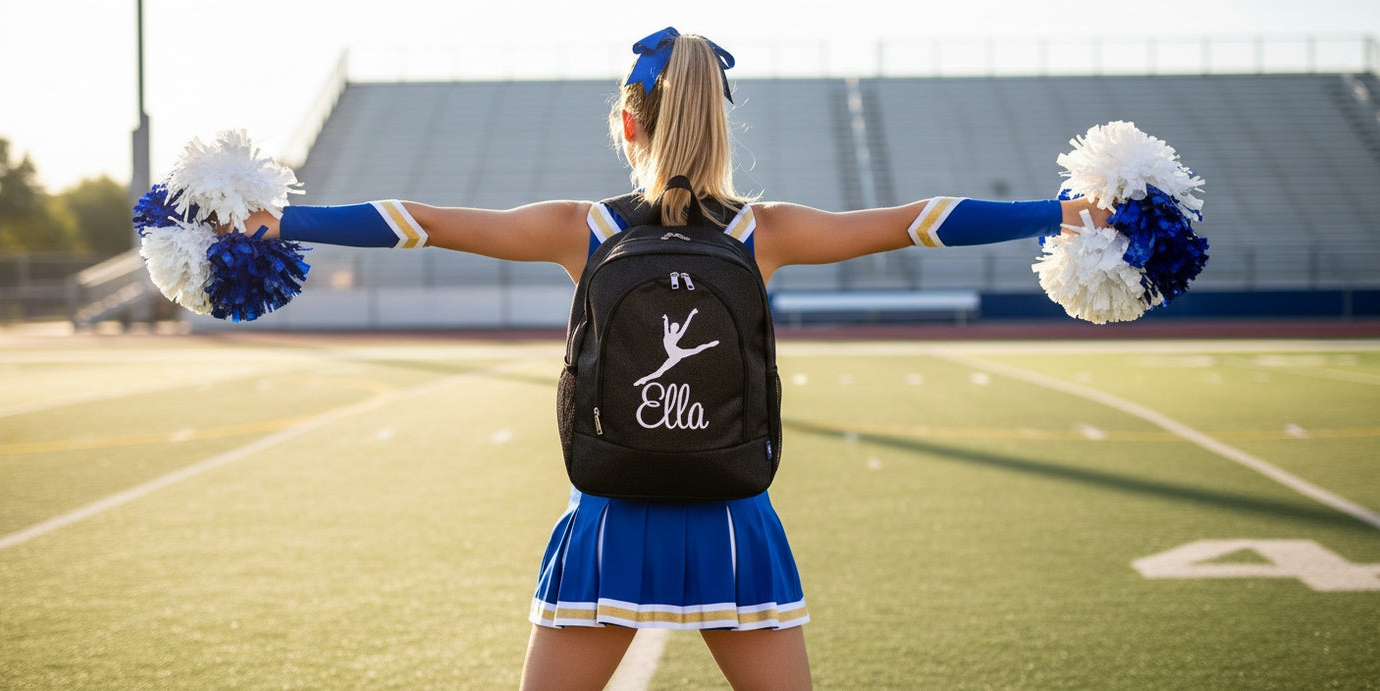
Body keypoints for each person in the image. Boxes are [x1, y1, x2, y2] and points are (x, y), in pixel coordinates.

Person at [230, 27, 1106, 691]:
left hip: (608, 520)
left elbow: (415, 220)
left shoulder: (584, 228)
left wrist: (283, 220)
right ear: (720, 125)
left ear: (625, 122)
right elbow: (923, 218)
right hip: (733, 523)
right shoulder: (765, 232)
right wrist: (1057, 212)